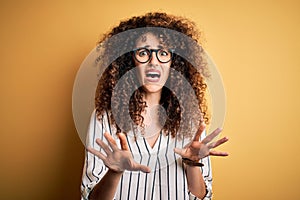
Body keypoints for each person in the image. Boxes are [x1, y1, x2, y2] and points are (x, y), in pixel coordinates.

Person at [80, 12, 229, 200]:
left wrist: (192, 163)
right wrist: (114, 172)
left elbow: (202, 196)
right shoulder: (104, 118)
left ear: (174, 63)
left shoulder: (191, 119)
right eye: (143, 53)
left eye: (163, 53)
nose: (153, 61)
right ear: (129, 62)